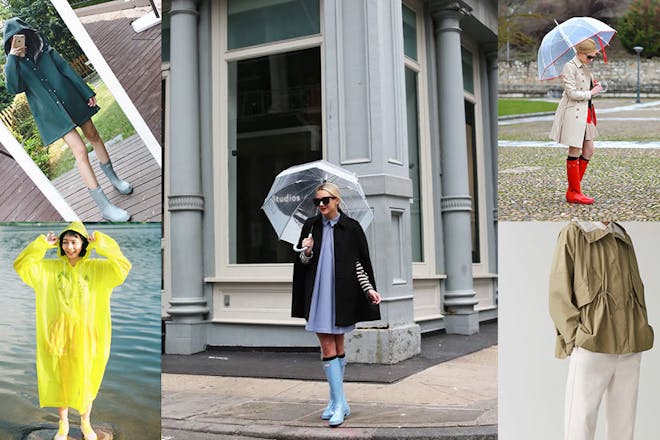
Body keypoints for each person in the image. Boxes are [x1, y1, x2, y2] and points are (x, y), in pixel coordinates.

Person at [3, 17, 132, 221]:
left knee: (93, 135)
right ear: (8, 44)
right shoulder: (14, 66)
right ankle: (104, 206)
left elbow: (66, 70)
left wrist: (86, 92)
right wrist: (12, 57)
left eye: (20, 37)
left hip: (72, 100)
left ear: (27, 35)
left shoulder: (46, 51)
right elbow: (12, 88)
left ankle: (115, 179)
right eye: (12, 40)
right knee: (80, 151)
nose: (18, 42)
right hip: (54, 115)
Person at [14, 222, 132, 440]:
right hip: (57, 332)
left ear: (83, 243)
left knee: (86, 376)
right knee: (61, 378)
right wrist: (42, 245)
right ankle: (63, 424)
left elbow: (122, 266)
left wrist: (102, 244)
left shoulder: (97, 269)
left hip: (86, 333)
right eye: (65, 242)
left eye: (74, 242)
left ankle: (86, 423)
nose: (69, 247)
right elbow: (22, 265)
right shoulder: (50, 269)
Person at [549, 221, 653, 440]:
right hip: (591, 344)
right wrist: (576, 336)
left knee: (624, 428)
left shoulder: (622, 235)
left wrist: (641, 325)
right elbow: (559, 291)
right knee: (580, 425)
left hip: (630, 347)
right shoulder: (574, 233)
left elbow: (637, 290)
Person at [291, 182, 381, 428]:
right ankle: (340, 403)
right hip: (318, 293)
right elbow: (302, 263)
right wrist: (306, 250)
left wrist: (369, 289)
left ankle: (336, 402)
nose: (321, 205)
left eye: (325, 200)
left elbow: (359, 265)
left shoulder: (351, 228)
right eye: (317, 201)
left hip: (342, 294)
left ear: (337, 200)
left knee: (339, 344)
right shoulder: (310, 226)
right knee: (327, 345)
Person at [549, 38, 604, 205]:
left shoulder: (585, 66)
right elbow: (572, 93)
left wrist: (593, 85)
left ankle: (573, 189)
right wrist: (591, 92)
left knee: (589, 150)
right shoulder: (569, 67)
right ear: (579, 54)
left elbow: (585, 88)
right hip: (573, 113)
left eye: (594, 57)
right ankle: (574, 192)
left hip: (585, 112)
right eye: (589, 57)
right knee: (575, 149)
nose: (591, 60)